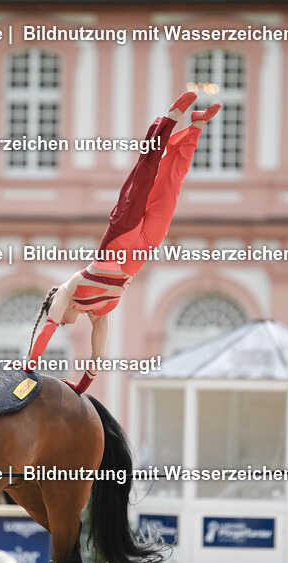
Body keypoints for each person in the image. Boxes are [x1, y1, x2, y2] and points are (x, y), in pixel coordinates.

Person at [26, 92, 220, 393]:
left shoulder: (68, 290)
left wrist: (29, 366)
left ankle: (168, 120)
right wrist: (80, 387)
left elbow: (48, 326)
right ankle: (195, 127)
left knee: (144, 175)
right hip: (143, 247)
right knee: (171, 185)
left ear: (56, 305)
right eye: (64, 322)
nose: (64, 323)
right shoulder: (99, 313)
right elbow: (97, 355)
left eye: (61, 319)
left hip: (121, 235)